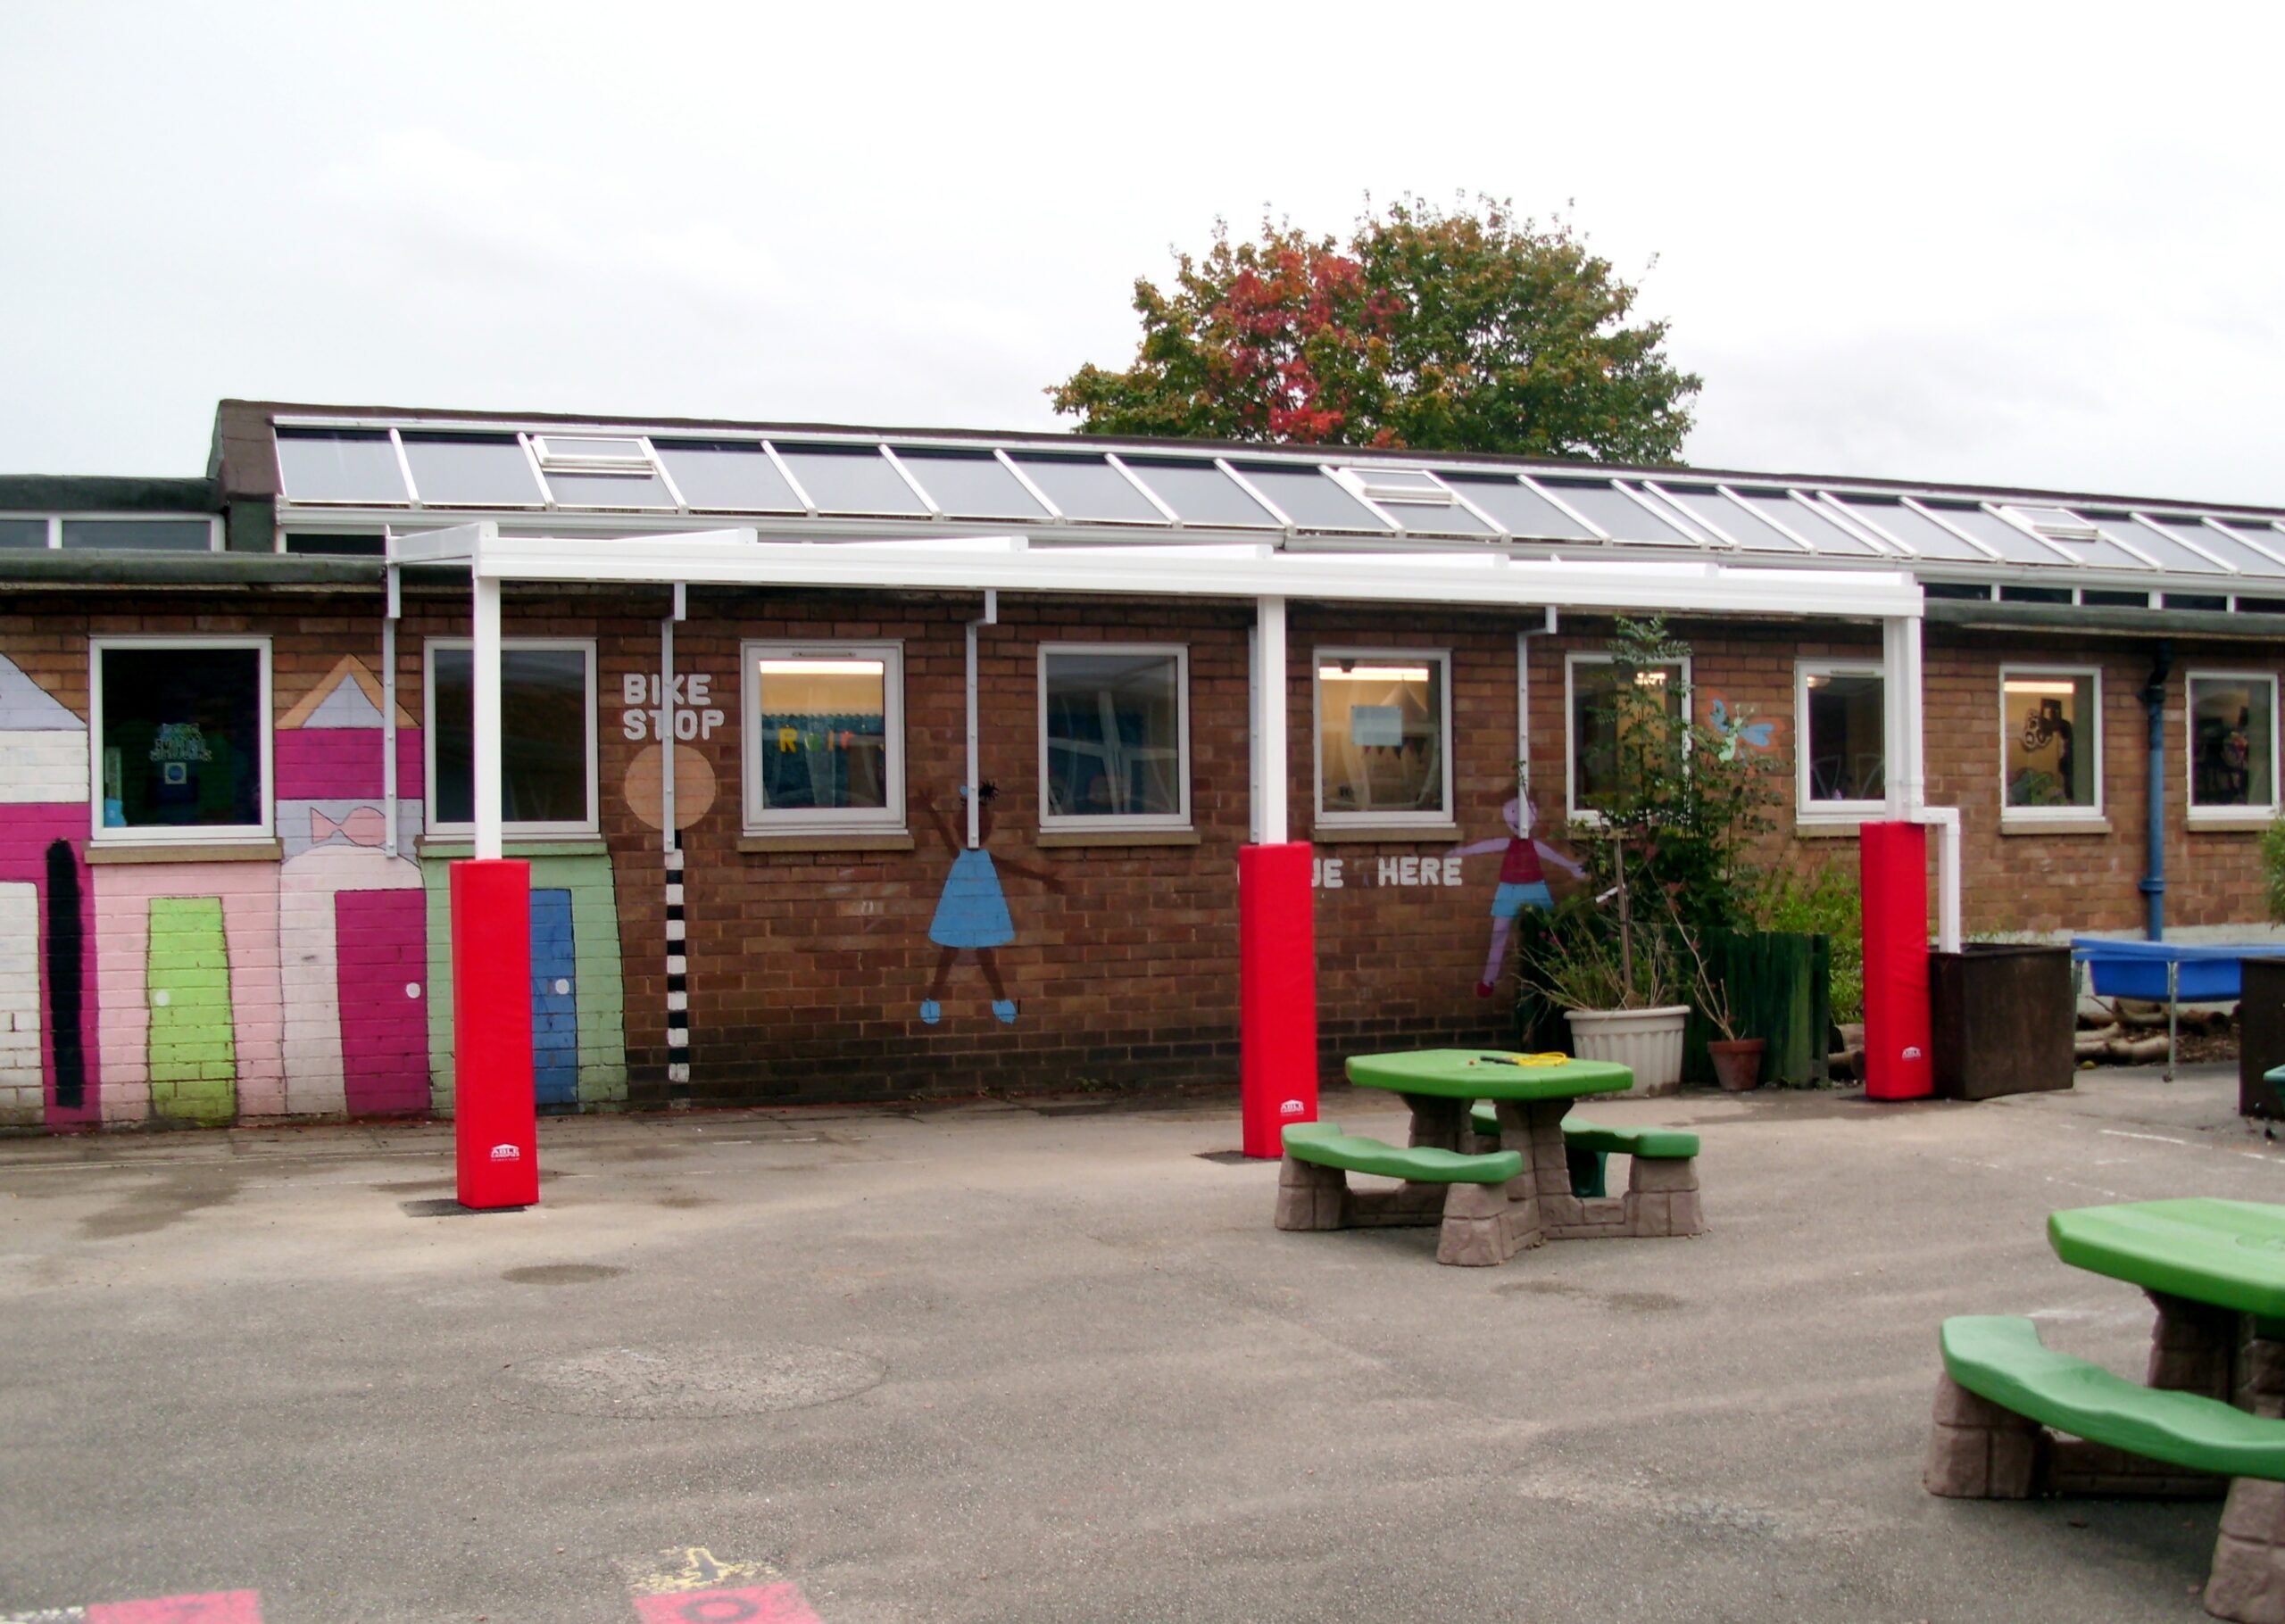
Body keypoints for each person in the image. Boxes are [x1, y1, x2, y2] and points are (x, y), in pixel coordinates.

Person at [919, 783, 1061, 1024]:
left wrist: (1043, 878)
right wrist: (929, 810)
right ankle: (933, 999)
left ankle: (999, 1000)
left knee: (981, 955)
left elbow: (1012, 867)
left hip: (981, 912)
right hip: (959, 910)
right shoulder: (963, 856)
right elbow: (945, 834)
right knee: (949, 952)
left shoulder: (983, 857)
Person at [1450, 795, 1585, 998]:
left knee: (1551, 930)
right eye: (1512, 811)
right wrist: (1463, 851)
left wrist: (1572, 867)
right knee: (1499, 934)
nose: (1519, 818)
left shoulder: (1534, 845)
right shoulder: (1508, 842)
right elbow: (1489, 846)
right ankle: (1488, 980)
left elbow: (1553, 856)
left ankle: (1563, 975)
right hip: (1509, 890)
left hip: (1535, 888)